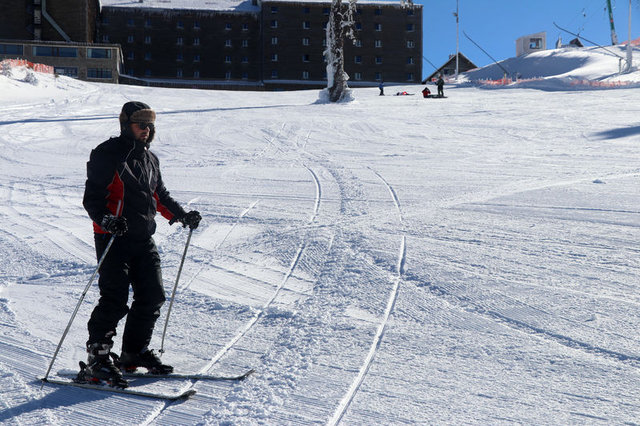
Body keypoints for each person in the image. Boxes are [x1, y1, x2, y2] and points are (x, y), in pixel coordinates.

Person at [81, 101, 201, 387]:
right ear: (126, 125)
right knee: (114, 299)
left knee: (152, 296)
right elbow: (92, 198)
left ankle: (133, 352)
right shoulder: (107, 154)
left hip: (143, 237)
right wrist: (108, 221)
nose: (146, 130)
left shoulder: (149, 159)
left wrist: (181, 215)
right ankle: (97, 360)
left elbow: (159, 195)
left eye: (150, 125)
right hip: (113, 237)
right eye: (141, 124)